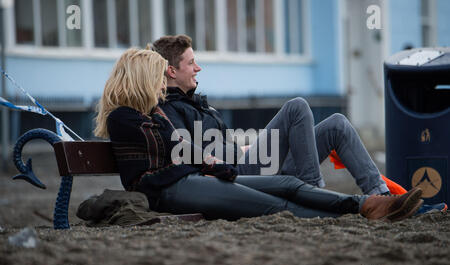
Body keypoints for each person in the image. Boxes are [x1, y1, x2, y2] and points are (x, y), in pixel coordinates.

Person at [94, 47, 424, 223]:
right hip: (173, 190)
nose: (160, 85)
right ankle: (365, 209)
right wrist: (204, 163)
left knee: (288, 185)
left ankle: (369, 204)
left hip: (200, 176)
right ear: (140, 79)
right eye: (155, 78)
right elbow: (154, 171)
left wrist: (217, 161)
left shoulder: (157, 113)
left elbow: (185, 150)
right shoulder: (126, 118)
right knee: (275, 206)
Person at [151, 34, 447, 214]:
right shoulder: (169, 111)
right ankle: (316, 191)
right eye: (191, 63)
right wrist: (231, 158)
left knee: (336, 124)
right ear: (171, 70)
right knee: (297, 107)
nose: (198, 67)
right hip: (236, 180)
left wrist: (245, 148)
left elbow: (219, 145)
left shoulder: (200, 104)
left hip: (249, 165)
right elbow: (189, 154)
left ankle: (382, 196)